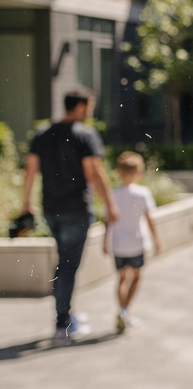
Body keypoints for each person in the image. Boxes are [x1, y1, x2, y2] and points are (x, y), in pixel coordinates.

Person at [21, 88, 120, 343]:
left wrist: (26, 204)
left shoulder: (43, 133)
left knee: (64, 263)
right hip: (76, 209)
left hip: (51, 209)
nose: (90, 112)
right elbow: (94, 172)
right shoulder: (86, 134)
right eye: (89, 107)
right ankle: (62, 323)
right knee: (68, 266)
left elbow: (30, 170)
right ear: (78, 107)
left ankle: (66, 315)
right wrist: (110, 205)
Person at [104, 151, 161, 334]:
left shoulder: (113, 194)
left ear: (119, 172)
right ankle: (125, 310)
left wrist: (105, 242)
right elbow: (149, 219)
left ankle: (121, 311)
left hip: (118, 243)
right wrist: (157, 239)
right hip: (136, 242)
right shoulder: (143, 193)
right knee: (136, 277)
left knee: (121, 279)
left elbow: (108, 220)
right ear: (139, 173)